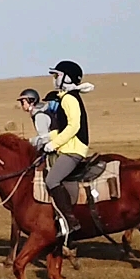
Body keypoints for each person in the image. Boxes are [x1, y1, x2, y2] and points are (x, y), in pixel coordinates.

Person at [32, 61, 94, 193]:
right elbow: (63, 129)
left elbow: (73, 126)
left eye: (56, 76)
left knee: (51, 180)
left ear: (67, 78)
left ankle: (66, 214)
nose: (54, 80)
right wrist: (44, 139)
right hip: (69, 148)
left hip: (73, 150)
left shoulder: (69, 98)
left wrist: (53, 144)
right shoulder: (66, 97)